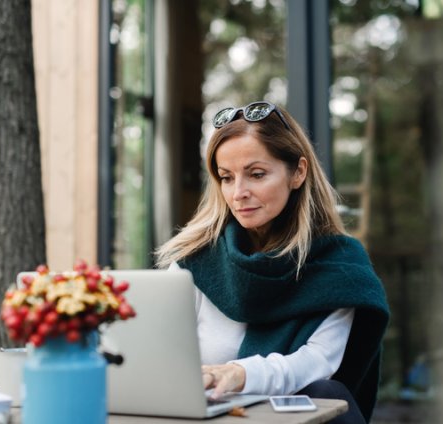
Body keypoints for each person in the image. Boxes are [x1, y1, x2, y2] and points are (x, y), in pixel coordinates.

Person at [155, 101, 389, 423]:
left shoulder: (339, 266)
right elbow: (159, 357)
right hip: (206, 416)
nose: (238, 193)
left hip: (284, 418)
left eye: (257, 174)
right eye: (226, 177)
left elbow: (318, 361)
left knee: (329, 394)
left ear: (298, 172)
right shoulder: (195, 260)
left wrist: (242, 374)